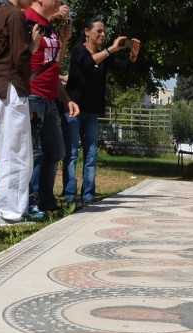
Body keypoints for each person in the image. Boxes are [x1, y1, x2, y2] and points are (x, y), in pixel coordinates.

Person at [63, 18, 141, 208]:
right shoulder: (78, 51)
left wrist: (133, 55)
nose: (103, 35)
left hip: (92, 111)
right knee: (72, 153)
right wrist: (111, 49)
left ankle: (88, 195)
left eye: (104, 32)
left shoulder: (104, 56)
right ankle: (69, 196)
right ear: (87, 32)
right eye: (99, 31)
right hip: (74, 108)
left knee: (91, 154)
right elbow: (87, 64)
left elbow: (123, 69)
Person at [0, 0, 37, 227]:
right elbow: (20, 57)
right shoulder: (14, 15)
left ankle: (4, 211)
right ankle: (10, 214)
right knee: (19, 154)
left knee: (6, 154)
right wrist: (32, 45)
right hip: (9, 90)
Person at [25, 0, 79, 217]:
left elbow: (54, 64)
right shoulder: (28, 19)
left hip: (49, 98)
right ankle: (32, 201)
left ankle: (46, 199)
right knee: (36, 152)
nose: (59, 3)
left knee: (56, 150)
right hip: (32, 95)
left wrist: (66, 99)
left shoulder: (50, 28)